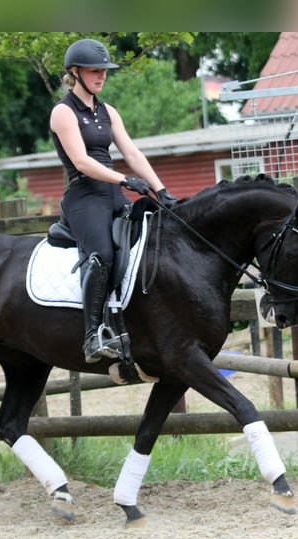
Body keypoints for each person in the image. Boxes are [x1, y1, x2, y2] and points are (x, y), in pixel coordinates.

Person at [50, 37, 178, 364]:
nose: (102, 76)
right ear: (75, 73)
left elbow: (131, 153)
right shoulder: (63, 113)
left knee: (150, 241)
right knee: (102, 254)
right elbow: (81, 161)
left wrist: (160, 189)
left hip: (113, 192)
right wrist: (123, 179)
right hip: (84, 195)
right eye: (95, 71)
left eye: (104, 71)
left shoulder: (108, 111)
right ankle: (92, 336)